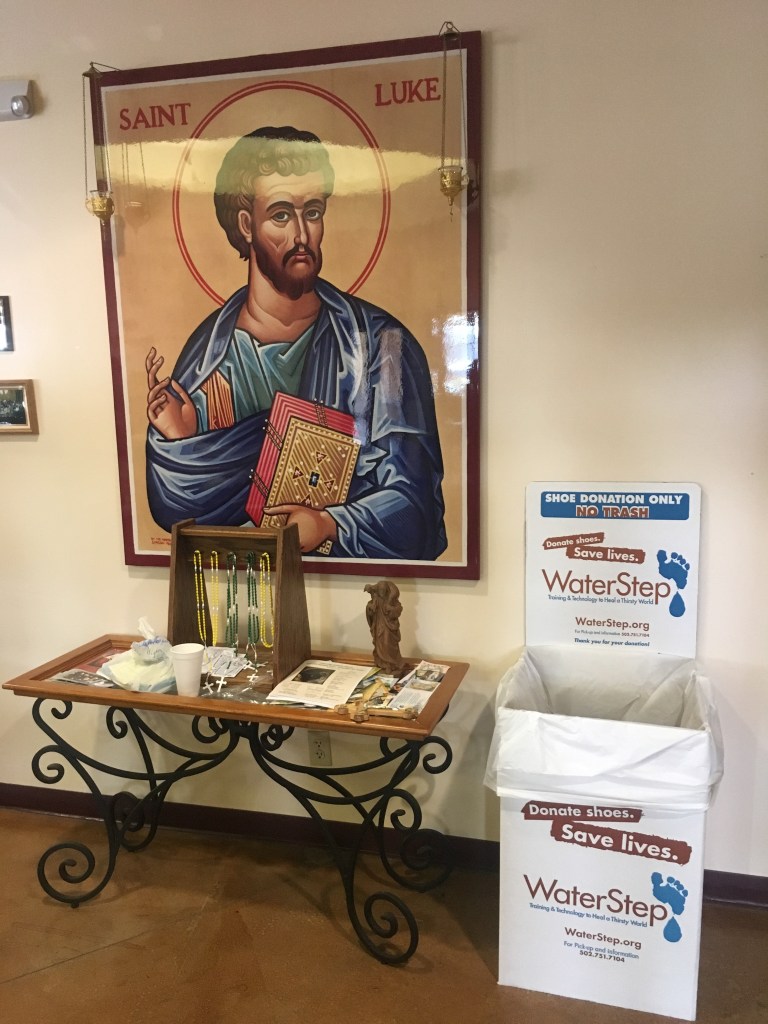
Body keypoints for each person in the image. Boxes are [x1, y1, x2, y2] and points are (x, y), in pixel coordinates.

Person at [145, 126, 446, 560]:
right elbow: (178, 510)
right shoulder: (209, 355)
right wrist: (181, 443)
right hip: (238, 586)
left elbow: (415, 507)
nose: (302, 235)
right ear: (246, 224)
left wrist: (330, 525)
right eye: (282, 215)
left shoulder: (383, 346)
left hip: (348, 587)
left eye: (314, 212)